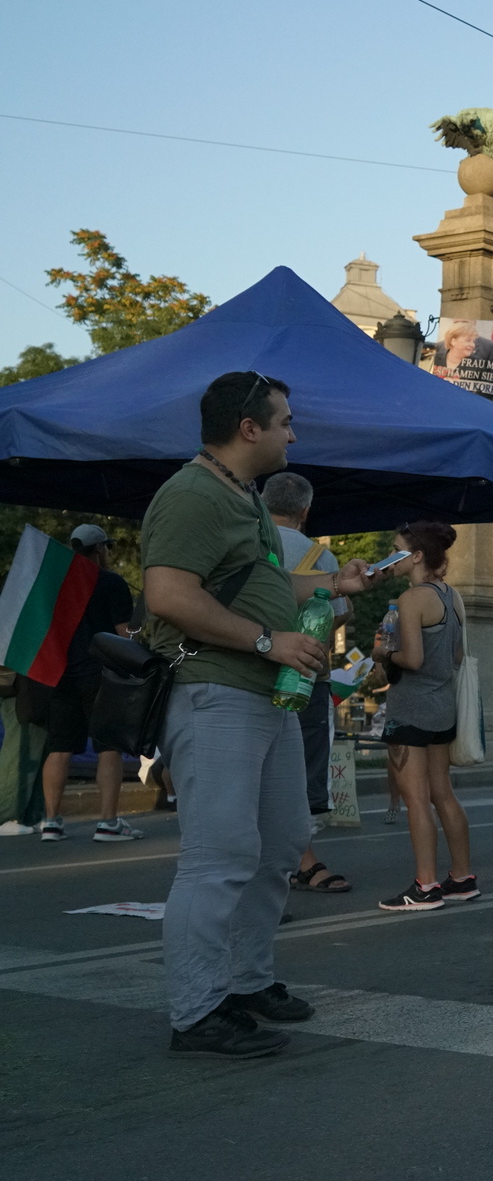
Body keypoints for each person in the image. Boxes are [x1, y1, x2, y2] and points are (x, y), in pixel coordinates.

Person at [143, 371, 376, 1057]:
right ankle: (196, 1011)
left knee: (277, 846)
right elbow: (167, 595)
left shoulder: (237, 495)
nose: (292, 433)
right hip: (217, 691)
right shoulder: (190, 495)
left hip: (263, 694)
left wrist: (336, 581)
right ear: (250, 428)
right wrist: (270, 640)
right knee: (218, 858)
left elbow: (268, 581)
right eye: (284, 421)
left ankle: (246, 982)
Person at [372, 521, 477, 911]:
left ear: (415, 556)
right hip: (442, 707)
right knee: (442, 793)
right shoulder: (451, 596)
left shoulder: (412, 598)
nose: (390, 556)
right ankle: (462, 878)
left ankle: (426, 886)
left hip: (411, 709)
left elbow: (411, 658)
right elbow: (456, 657)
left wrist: (382, 652)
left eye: (396, 548)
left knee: (416, 798)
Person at [263, 472, 352, 895]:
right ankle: (301, 859)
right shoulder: (319, 555)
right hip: (304, 676)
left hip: (253, 669)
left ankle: (275, 859)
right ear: (305, 511)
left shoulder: (253, 544)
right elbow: (337, 611)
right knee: (302, 771)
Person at [35, 524, 141, 843]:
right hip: (102, 674)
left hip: (60, 674)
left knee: (60, 747)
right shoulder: (110, 582)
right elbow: (125, 634)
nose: (108, 553)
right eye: (106, 548)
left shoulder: (54, 585)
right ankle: (108, 823)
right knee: (108, 746)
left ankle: (51, 823)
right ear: (98, 550)